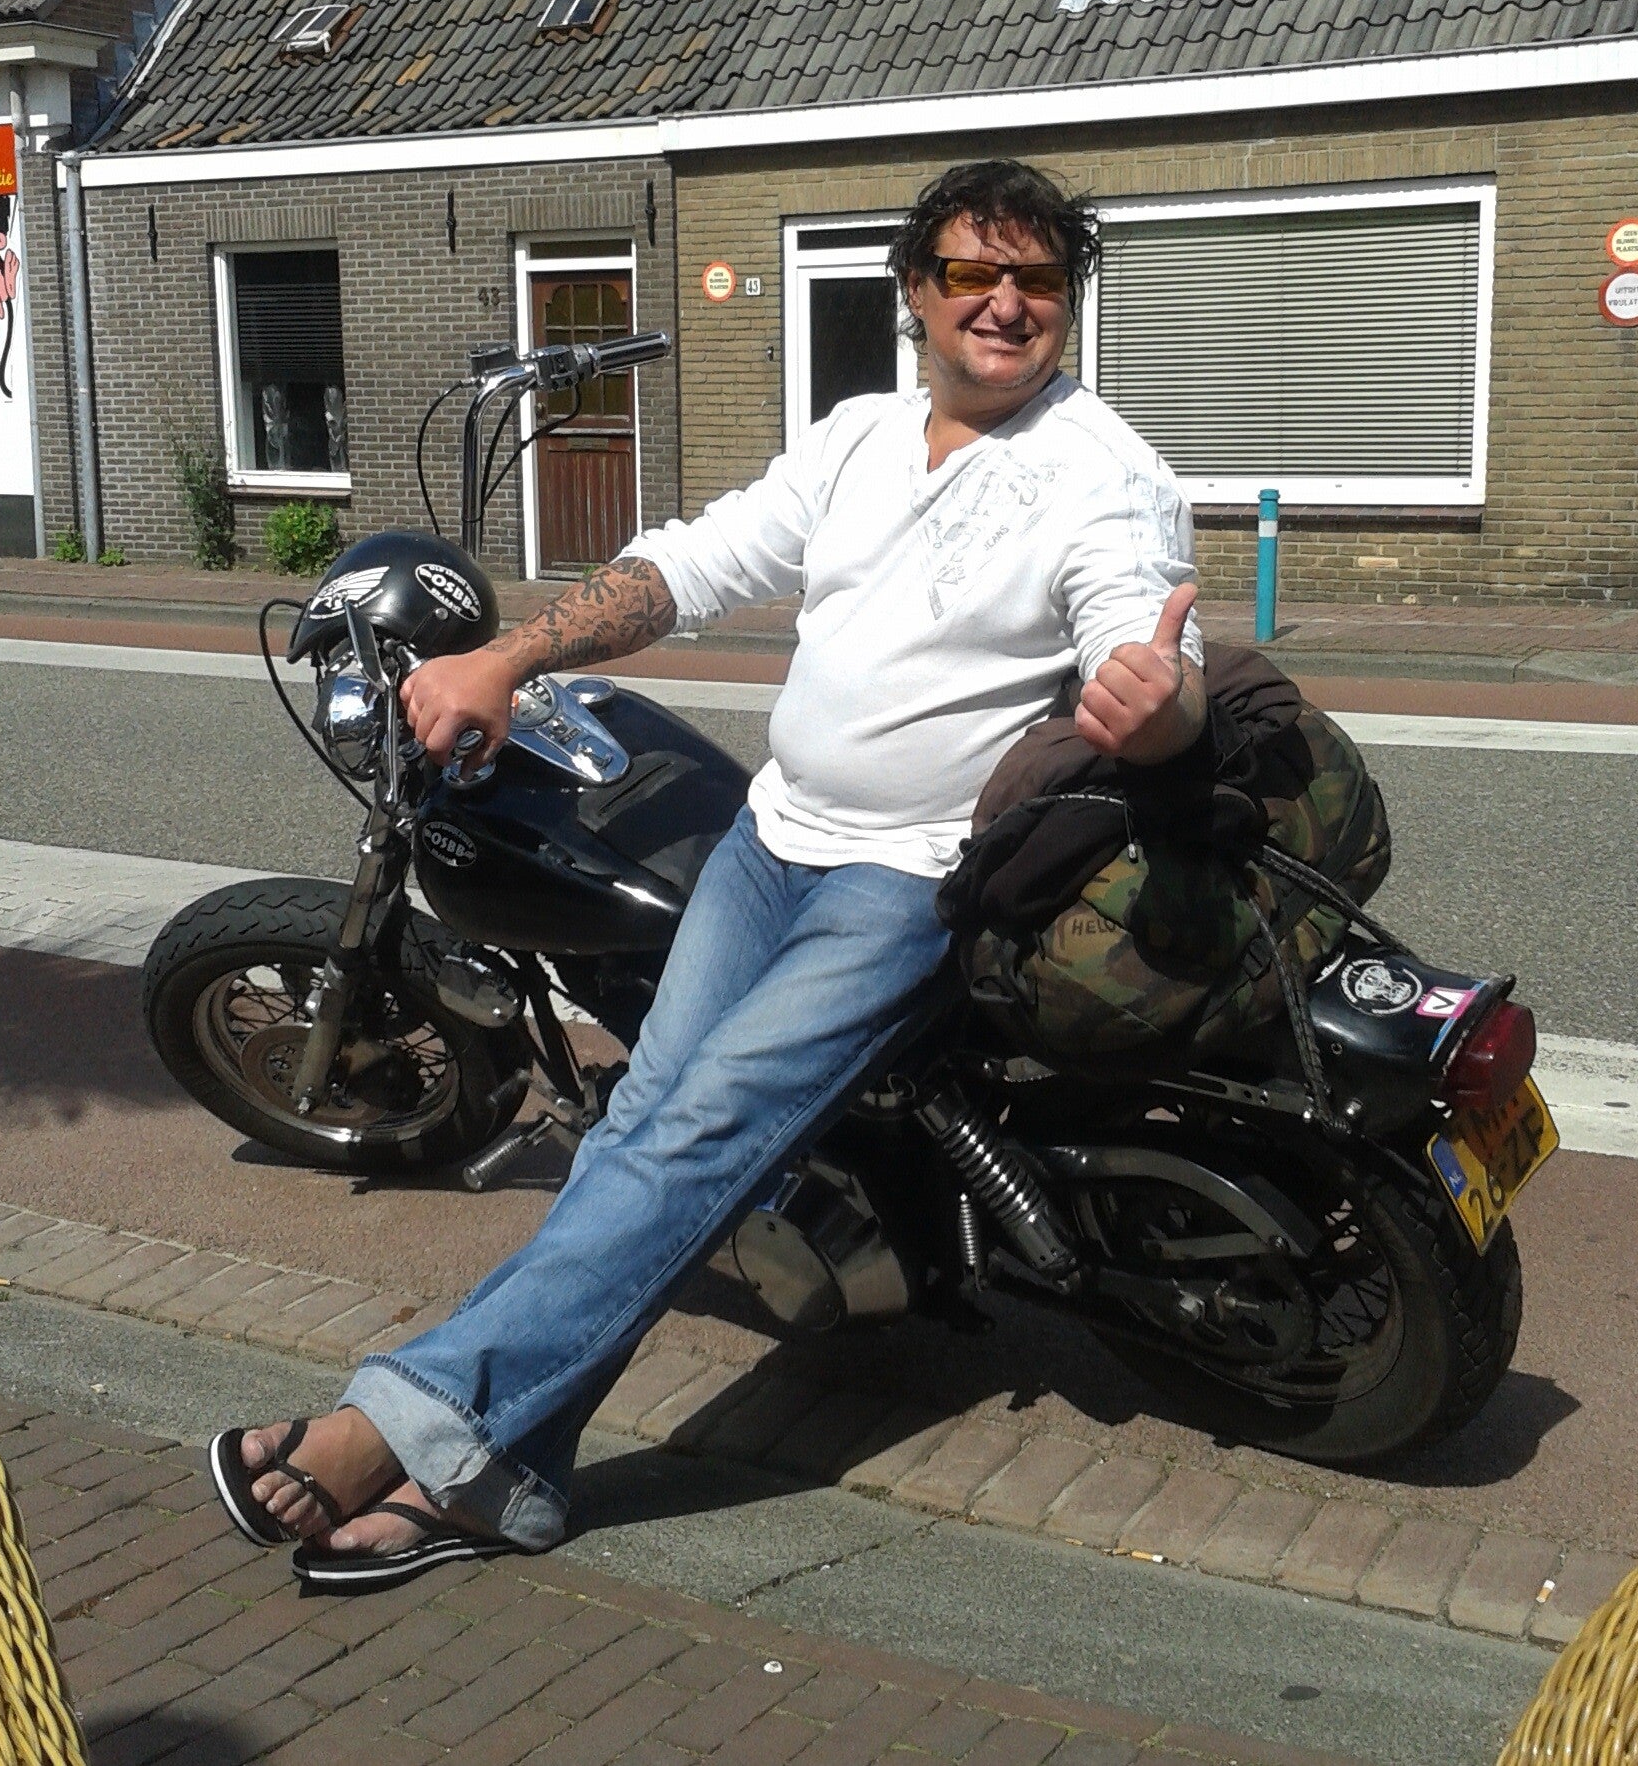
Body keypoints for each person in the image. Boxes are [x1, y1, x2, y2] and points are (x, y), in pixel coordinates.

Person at [211, 158, 1207, 1586]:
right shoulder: (862, 436)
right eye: (971, 273)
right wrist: (506, 656)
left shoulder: (1105, 474)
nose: (1005, 302)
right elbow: (694, 565)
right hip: (773, 836)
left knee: (692, 1139)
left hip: (913, 880)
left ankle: (398, 1423)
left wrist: (1151, 702)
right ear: (916, 294)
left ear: (1069, 299)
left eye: (1037, 278)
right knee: (639, 1131)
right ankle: (513, 1476)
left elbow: (1140, 643)